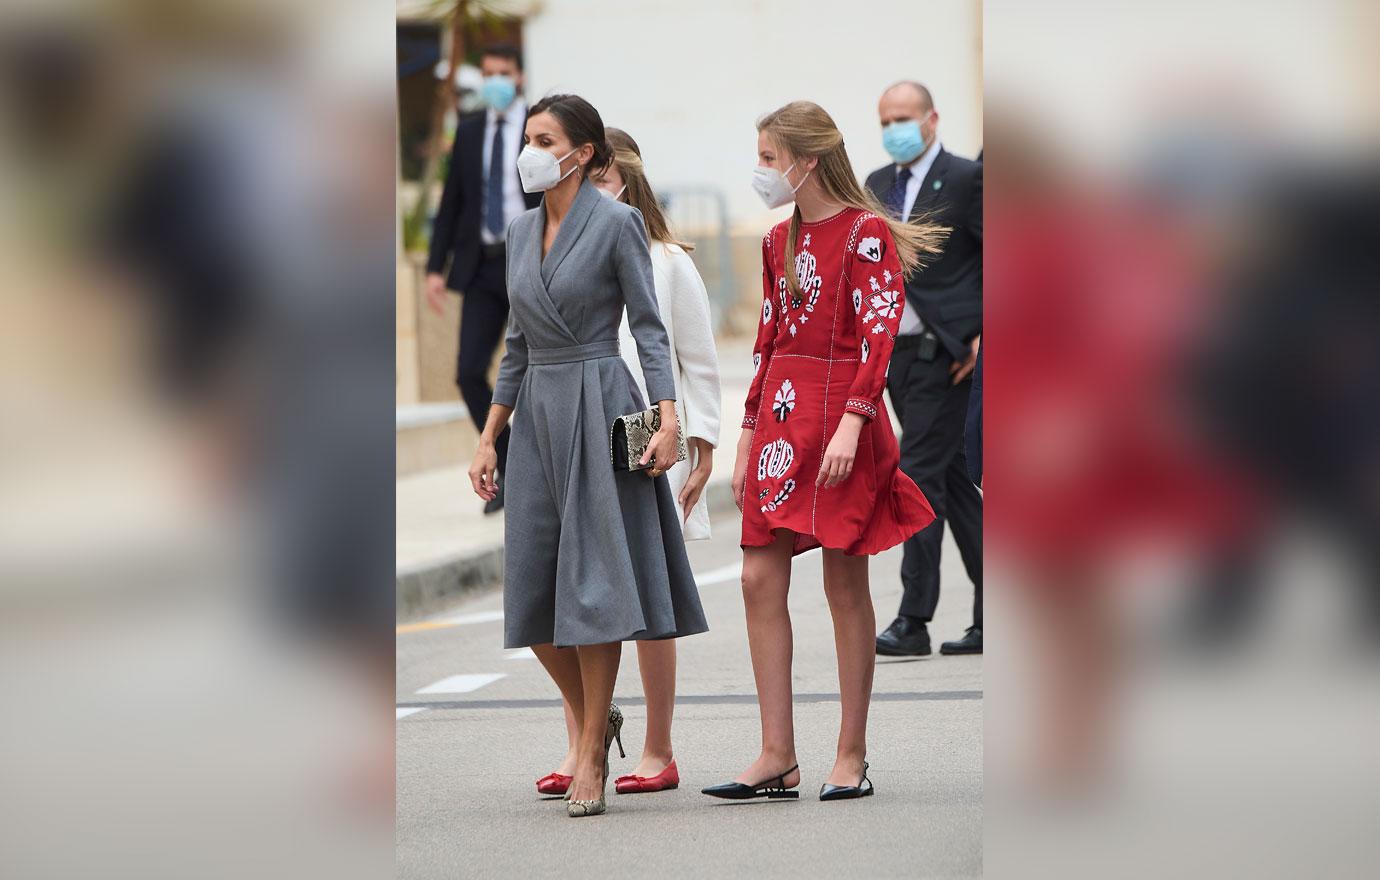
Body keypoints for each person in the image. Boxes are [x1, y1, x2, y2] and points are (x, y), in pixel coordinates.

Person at [468, 94, 708, 819]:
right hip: (538, 413)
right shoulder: (516, 232)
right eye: (529, 137)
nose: (531, 150)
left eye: (546, 139)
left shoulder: (619, 222)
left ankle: (593, 754)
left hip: (606, 399)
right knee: (534, 583)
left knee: (597, 580)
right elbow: (515, 345)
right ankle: (591, 716)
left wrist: (669, 421)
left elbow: (653, 329)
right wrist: (489, 434)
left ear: (585, 154)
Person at [702, 101, 940, 803]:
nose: (760, 172)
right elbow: (769, 340)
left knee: (844, 582)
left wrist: (852, 424)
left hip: (844, 421)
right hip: (781, 419)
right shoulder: (778, 241)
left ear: (807, 161)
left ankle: (851, 751)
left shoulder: (866, 233)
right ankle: (777, 753)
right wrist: (747, 434)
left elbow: (879, 333)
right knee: (756, 578)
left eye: (770, 159)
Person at [534, 128, 720, 798]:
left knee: (647, 592)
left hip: (643, 436)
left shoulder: (667, 260)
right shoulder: (555, 253)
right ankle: (582, 741)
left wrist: (701, 447)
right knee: (574, 591)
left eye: (599, 180)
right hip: (572, 437)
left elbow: (694, 360)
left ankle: (658, 748)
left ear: (622, 181)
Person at [865, 81, 984, 657]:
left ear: (933, 118)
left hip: (951, 354)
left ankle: (914, 620)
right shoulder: (877, 185)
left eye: (904, 118)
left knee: (917, 477)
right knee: (956, 483)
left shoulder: (966, 178)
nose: (895, 129)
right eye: (886, 120)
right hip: (898, 358)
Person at [426, 44, 540, 514]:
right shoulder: (470, 131)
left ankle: (534, 476)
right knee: (469, 371)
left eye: (503, 73)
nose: (494, 80)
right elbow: (452, 202)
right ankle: (506, 457)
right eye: (487, 72)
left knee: (535, 370)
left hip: (530, 260)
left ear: (518, 77)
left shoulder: (540, 127)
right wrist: (436, 268)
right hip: (481, 266)